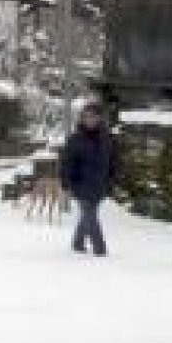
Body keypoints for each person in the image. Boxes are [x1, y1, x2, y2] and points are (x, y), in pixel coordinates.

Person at [60, 102, 118, 257]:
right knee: (91, 216)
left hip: (100, 185)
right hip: (80, 184)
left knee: (87, 215)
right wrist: (66, 183)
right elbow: (66, 162)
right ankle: (100, 249)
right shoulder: (75, 139)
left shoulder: (107, 138)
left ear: (99, 118)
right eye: (86, 116)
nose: (89, 119)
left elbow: (113, 162)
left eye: (92, 116)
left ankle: (77, 243)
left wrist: (111, 181)